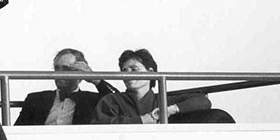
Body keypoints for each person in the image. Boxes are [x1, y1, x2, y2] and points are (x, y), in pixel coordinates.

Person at [92, 49, 233, 124]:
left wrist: (169, 110)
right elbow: (100, 124)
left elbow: (203, 101)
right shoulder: (112, 100)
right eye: (124, 71)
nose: (128, 74)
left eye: (134, 69)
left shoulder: (163, 100)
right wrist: (143, 120)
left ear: (151, 73)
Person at [15, 49, 118, 125]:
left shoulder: (93, 101)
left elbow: (118, 102)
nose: (59, 73)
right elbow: (16, 132)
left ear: (81, 73)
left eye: (66, 69)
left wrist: (95, 79)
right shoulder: (35, 99)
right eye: (57, 68)